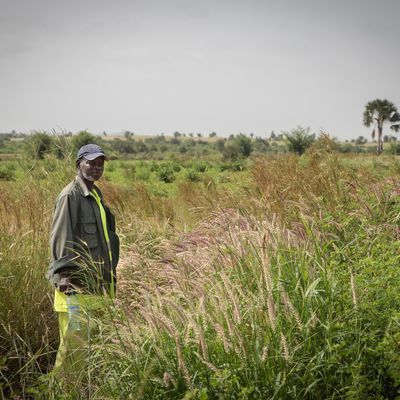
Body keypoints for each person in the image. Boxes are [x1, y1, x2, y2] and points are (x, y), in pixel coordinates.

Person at [47, 143, 119, 375]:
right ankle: (59, 392)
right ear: (79, 164)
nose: (96, 168)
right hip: (75, 289)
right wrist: (64, 276)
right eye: (91, 163)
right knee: (72, 352)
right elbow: (61, 236)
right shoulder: (70, 196)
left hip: (95, 286)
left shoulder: (95, 194)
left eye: (100, 164)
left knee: (89, 351)